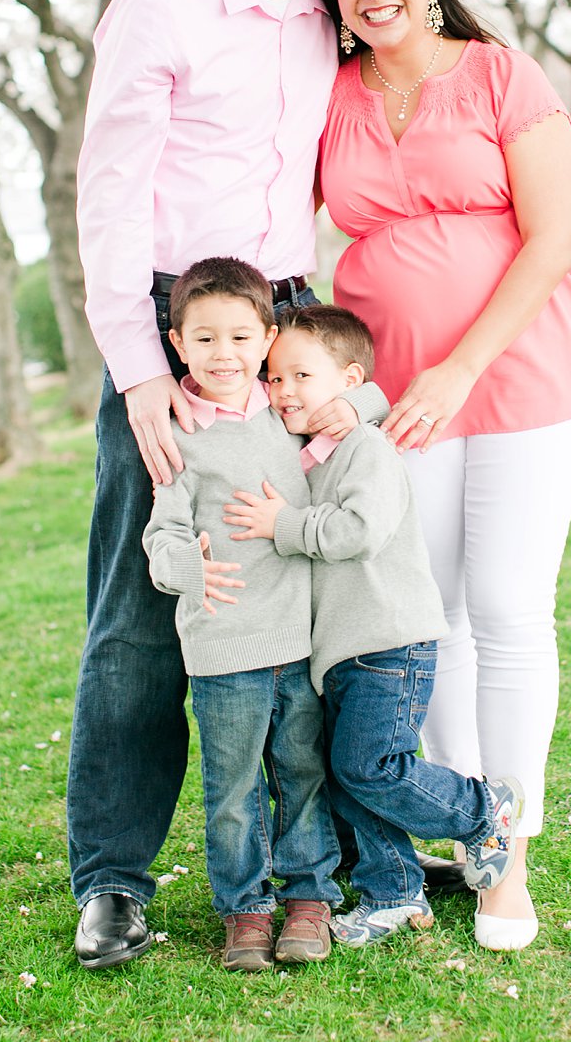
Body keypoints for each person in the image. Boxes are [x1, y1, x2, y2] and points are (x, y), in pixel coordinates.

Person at [67, 0, 352, 971]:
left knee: (303, 587)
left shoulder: (326, 17)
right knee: (144, 611)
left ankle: (323, 868)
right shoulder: (163, 8)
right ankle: (115, 880)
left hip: (285, 324)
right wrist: (141, 369)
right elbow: (109, 194)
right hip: (179, 326)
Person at [314, 0, 571, 951]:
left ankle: (511, 855)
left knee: (506, 604)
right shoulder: (334, 95)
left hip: (520, 374)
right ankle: (465, 822)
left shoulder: (500, 76)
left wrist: (460, 364)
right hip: (399, 390)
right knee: (425, 611)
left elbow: (552, 238)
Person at [221, 303, 524, 946]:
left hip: (390, 640)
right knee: (349, 772)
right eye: (274, 379)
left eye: (301, 375)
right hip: (341, 649)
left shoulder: (364, 447)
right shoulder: (306, 456)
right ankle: (394, 893)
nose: (283, 391)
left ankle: (478, 811)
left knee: (372, 766)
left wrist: (284, 526)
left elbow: (359, 531)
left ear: (351, 381)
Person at [140, 258, 340, 971]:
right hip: (223, 644)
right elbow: (160, 538)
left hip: (298, 634)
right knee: (233, 787)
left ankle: (310, 897)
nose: (222, 353)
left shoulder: (290, 412)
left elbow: (361, 403)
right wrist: (190, 567)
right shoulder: (177, 431)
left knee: (301, 770)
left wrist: (358, 409)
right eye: (204, 338)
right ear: (176, 342)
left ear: (266, 339)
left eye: (238, 337)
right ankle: (246, 911)